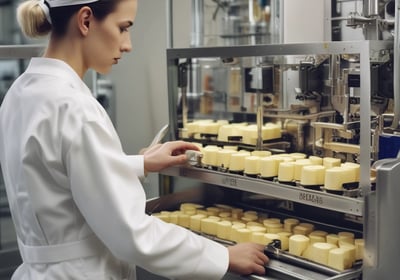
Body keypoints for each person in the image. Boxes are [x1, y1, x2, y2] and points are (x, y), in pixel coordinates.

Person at [0, 0, 269, 279]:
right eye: (123, 28)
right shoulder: (75, 108)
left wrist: (140, 163)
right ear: (86, 21)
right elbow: (131, 233)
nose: (127, 45)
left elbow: (54, 177)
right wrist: (221, 255)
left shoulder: (21, 92)